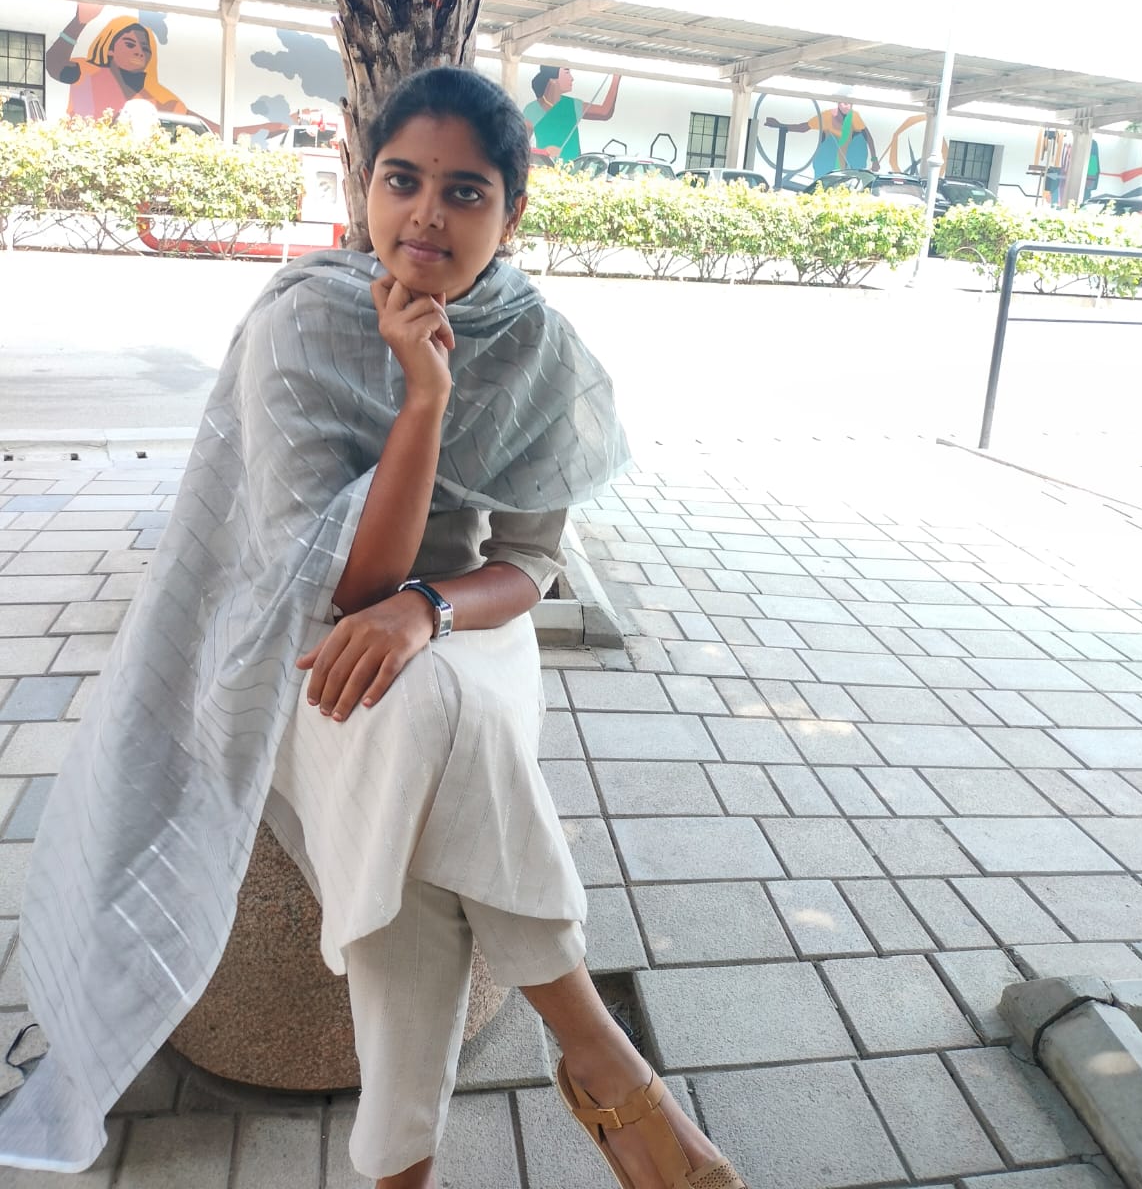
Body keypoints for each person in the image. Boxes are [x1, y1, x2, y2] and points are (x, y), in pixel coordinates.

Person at [0, 68, 747, 1189]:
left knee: (427, 743)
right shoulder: (303, 322)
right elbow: (346, 590)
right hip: (294, 639)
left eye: (465, 191)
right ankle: (597, 1058)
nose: (427, 216)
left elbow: (528, 564)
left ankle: (410, 1169)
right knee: (424, 728)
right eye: (402, 181)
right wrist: (423, 400)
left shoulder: (535, 344)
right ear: (365, 187)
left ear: (512, 213)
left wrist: (428, 609)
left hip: (467, 625)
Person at [45, 2, 188, 117]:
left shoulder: (156, 97)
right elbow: (55, 65)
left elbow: (194, 122)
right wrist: (79, 22)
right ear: (110, 49)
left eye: (145, 48)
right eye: (130, 45)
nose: (139, 53)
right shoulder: (87, 73)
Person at [522, 65, 620, 163]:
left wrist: (616, 78)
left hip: (574, 168)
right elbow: (521, 145)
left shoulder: (572, 104)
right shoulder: (532, 109)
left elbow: (604, 112)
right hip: (545, 168)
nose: (572, 78)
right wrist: (544, 152)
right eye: (567, 72)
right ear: (553, 80)